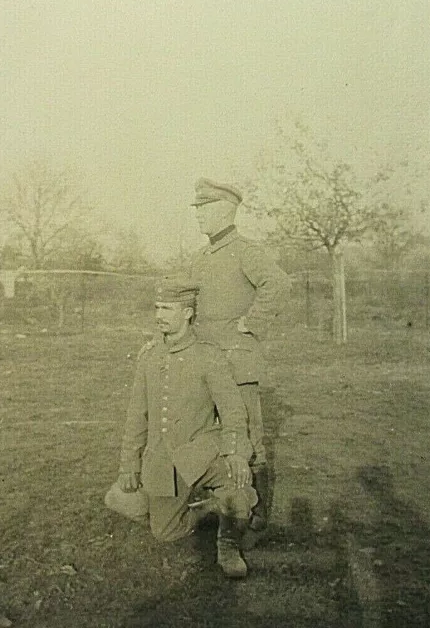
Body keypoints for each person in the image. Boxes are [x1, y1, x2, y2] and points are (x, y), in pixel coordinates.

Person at [105, 278, 258, 578]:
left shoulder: (208, 356)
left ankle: (228, 543)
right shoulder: (149, 357)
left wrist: (237, 453)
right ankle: (210, 507)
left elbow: (232, 410)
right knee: (161, 530)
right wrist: (129, 465)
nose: (159, 315)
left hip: (201, 454)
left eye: (167, 308)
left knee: (238, 486)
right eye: (157, 307)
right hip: (162, 461)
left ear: (187, 313)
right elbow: (137, 416)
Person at [189, 178, 291, 536]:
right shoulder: (200, 257)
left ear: (224, 210)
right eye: (197, 210)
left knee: (250, 438)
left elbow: (278, 284)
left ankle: (257, 511)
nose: (198, 217)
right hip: (206, 363)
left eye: (203, 210)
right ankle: (225, 504)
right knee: (209, 435)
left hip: (236, 362)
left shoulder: (247, 250)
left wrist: (252, 321)